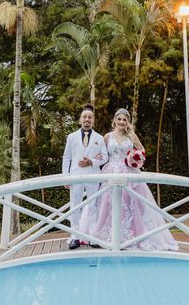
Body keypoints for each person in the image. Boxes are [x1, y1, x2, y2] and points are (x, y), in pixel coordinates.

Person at [80, 108, 178, 251]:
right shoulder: (107, 137)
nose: (121, 122)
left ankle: (132, 236)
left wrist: (134, 159)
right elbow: (100, 154)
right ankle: (107, 235)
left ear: (128, 122)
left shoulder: (131, 136)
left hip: (129, 173)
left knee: (130, 203)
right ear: (114, 121)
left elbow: (142, 151)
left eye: (124, 119)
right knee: (107, 203)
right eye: (119, 119)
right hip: (110, 172)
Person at [62, 104, 108, 250]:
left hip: (93, 176)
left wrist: (92, 162)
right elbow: (66, 157)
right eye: (84, 117)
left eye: (90, 117)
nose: (87, 119)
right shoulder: (71, 137)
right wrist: (65, 177)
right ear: (80, 119)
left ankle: (92, 237)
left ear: (93, 120)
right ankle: (75, 236)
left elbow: (105, 157)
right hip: (76, 176)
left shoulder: (99, 138)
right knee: (75, 206)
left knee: (93, 206)